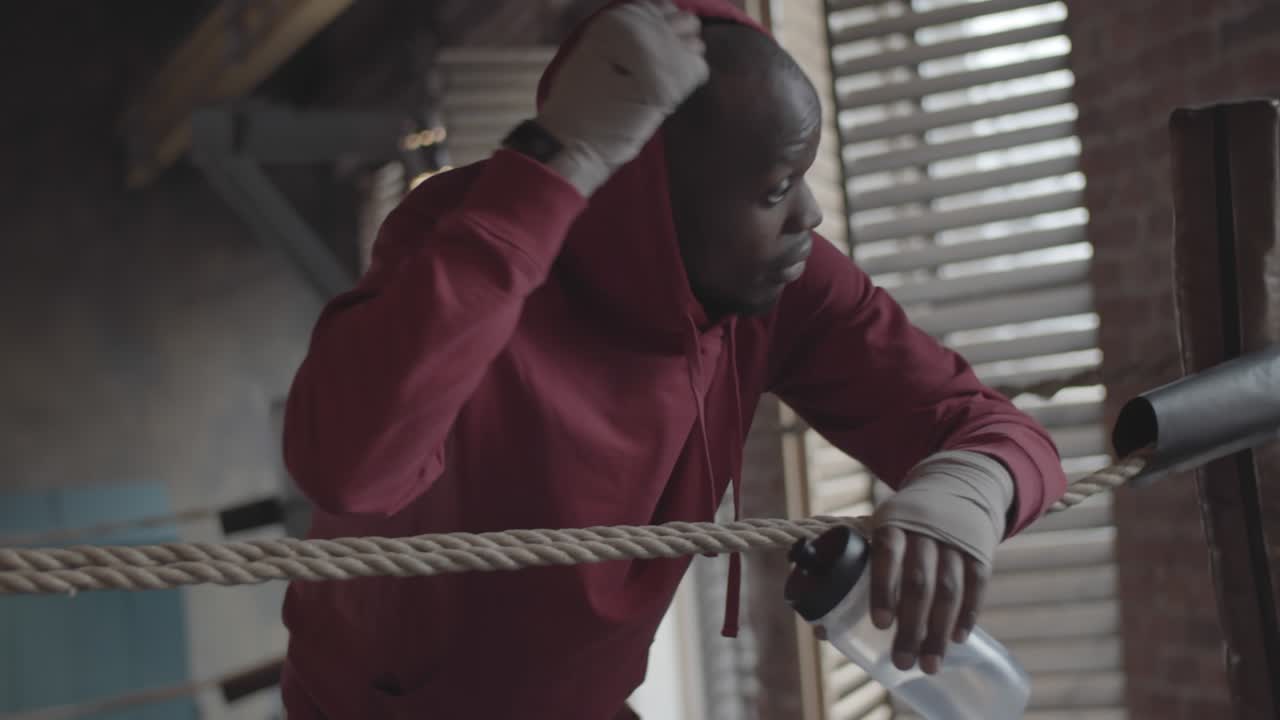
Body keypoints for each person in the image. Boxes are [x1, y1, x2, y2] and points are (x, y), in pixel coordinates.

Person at [277, 0, 1067, 717]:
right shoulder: (473, 238)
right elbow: (348, 465)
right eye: (775, 187)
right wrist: (557, 161)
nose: (810, 211)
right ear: (649, 195)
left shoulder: (787, 278)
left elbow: (992, 429)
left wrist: (968, 490)